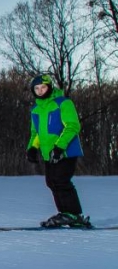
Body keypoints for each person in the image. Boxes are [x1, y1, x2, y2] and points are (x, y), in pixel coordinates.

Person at [26, 73, 91, 228]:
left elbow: (73, 126)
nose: (40, 91)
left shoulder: (63, 103)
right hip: (49, 153)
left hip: (66, 151)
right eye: (37, 88)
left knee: (61, 181)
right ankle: (66, 213)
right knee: (52, 182)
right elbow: (36, 133)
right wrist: (32, 148)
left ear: (49, 87)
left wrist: (60, 146)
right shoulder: (36, 109)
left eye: (43, 87)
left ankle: (73, 214)